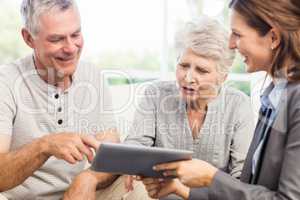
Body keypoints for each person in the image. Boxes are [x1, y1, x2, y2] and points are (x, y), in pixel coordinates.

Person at [141, 0, 300, 199]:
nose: (231, 44)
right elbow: (248, 188)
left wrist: (211, 177)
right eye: (183, 65)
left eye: (237, 34)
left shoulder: (293, 100)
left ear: (274, 38)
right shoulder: (273, 94)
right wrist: (183, 189)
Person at [0, 0, 149, 199]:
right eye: (56, 39)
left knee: (143, 186)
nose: (71, 48)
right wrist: (44, 146)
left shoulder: (92, 76)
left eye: (76, 34)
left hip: (81, 194)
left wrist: (88, 179)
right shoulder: (7, 82)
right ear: (29, 38)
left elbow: (112, 155)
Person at [124, 17, 255, 199]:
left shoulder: (239, 106)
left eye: (202, 70)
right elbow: (135, 144)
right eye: (183, 65)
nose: (188, 77)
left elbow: (241, 180)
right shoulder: (155, 94)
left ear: (222, 77)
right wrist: (130, 162)